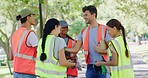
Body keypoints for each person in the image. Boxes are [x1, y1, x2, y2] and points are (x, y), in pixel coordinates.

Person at [66, 5, 111, 78]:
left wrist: (101, 51)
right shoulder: (83, 32)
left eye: (86, 15)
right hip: (90, 67)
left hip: (103, 65)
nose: (84, 17)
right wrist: (63, 48)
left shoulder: (105, 30)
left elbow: (112, 50)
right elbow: (75, 49)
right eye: (83, 15)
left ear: (93, 15)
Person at [10, 9, 38, 78]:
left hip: (16, 71)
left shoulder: (15, 34)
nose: (34, 18)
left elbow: (11, 55)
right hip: (28, 72)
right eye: (33, 16)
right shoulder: (29, 33)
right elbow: (39, 50)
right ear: (28, 17)